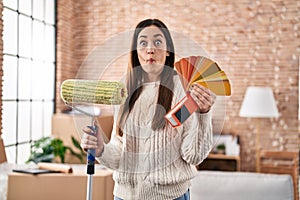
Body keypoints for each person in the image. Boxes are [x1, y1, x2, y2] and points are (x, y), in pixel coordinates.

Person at [81, 18, 216, 200]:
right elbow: (120, 152)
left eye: (158, 42)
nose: (150, 49)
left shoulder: (183, 89)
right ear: (136, 52)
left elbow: (193, 155)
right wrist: (100, 150)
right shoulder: (124, 90)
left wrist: (203, 115)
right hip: (123, 196)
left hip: (169, 196)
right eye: (143, 43)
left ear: (168, 51)